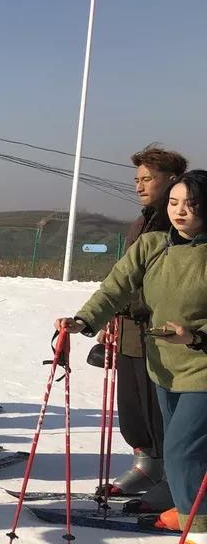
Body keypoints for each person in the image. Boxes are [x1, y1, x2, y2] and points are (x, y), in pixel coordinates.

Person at [55, 168, 207, 544]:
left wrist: (194, 335)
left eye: (191, 205)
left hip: (203, 368)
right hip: (165, 367)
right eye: (174, 203)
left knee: (183, 451)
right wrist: (84, 320)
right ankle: (194, 508)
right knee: (182, 449)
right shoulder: (154, 246)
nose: (180, 212)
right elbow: (116, 286)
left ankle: (203, 538)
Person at [94, 146, 186, 504]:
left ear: (172, 180)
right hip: (130, 325)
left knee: (163, 406)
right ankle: (146, 463)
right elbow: (127, 277)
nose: (139, 186)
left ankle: (173, 475)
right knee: (133, 404)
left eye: (148, 178)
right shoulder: (143, 220)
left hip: (164, 330)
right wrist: (111, 316)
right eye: (137, 179)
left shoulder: (180, 222)